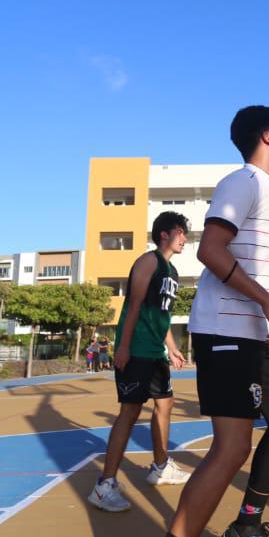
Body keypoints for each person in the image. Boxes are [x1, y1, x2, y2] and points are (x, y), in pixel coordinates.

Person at [147, 106, 269, 537]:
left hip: (251, 331)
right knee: (231, 449)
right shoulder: (242, 182)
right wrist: (267, 300)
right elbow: (210, 251)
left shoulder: (267, 192)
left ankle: (246, 528)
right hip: (226, 329)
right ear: (267, 136)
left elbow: (250, 268)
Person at [89, 212, 194, 512]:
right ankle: (104, 485)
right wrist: (122, 347)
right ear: (164, 234)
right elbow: (134, 306)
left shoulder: (172, 272)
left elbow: (160, 317)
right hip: (135, 349)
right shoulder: (149, 262)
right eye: (180, 232)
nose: (184, 237)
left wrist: (172, 348)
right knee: (130, 412)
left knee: (166, 403)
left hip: (154, 352)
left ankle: (161, 467)